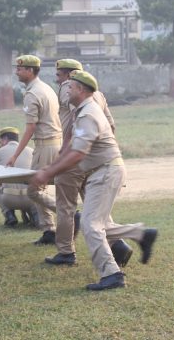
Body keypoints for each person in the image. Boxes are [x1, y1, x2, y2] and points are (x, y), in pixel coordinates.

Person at [30, 71, 158, 291]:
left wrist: (48, 173)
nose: (66, 90)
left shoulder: (88, 113)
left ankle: (111, 275)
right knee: (101, 225)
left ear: (81, 89)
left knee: (91, 225)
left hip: (105, 172)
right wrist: (51, 168)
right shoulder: (83, 112)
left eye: (70, 87)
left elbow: (78, 153)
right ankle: (140, 234)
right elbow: (70, 147)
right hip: (102, 172)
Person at [47, 59, 128, 267]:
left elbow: (70, 125)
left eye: (59, 75)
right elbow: (111, 125)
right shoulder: (98, 95)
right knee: (94, 206)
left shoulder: (70, 90)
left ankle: (66, 251)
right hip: (94, 158)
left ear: (70, 76)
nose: (58, 80)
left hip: (75, 154)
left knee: (66, 206)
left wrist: (64, 153)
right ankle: (118, 243)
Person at [5, 54, 61, 245]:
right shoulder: (46, 88)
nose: (17, 72)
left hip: (45, 146)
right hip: (56, 143)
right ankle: (50, 230)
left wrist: (14, 155)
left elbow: (30, 128)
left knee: (34, 190)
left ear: (30, 71)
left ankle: (62, 217)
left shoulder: (32, 93)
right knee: (43, 188)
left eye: (20, 69)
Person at [0, 127, 36, 227]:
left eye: (0, 141)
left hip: (9, 199)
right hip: (31, 198)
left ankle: (9, 215)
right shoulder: (31, 151)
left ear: (5, 139)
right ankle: (34, 215)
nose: (0, 144)